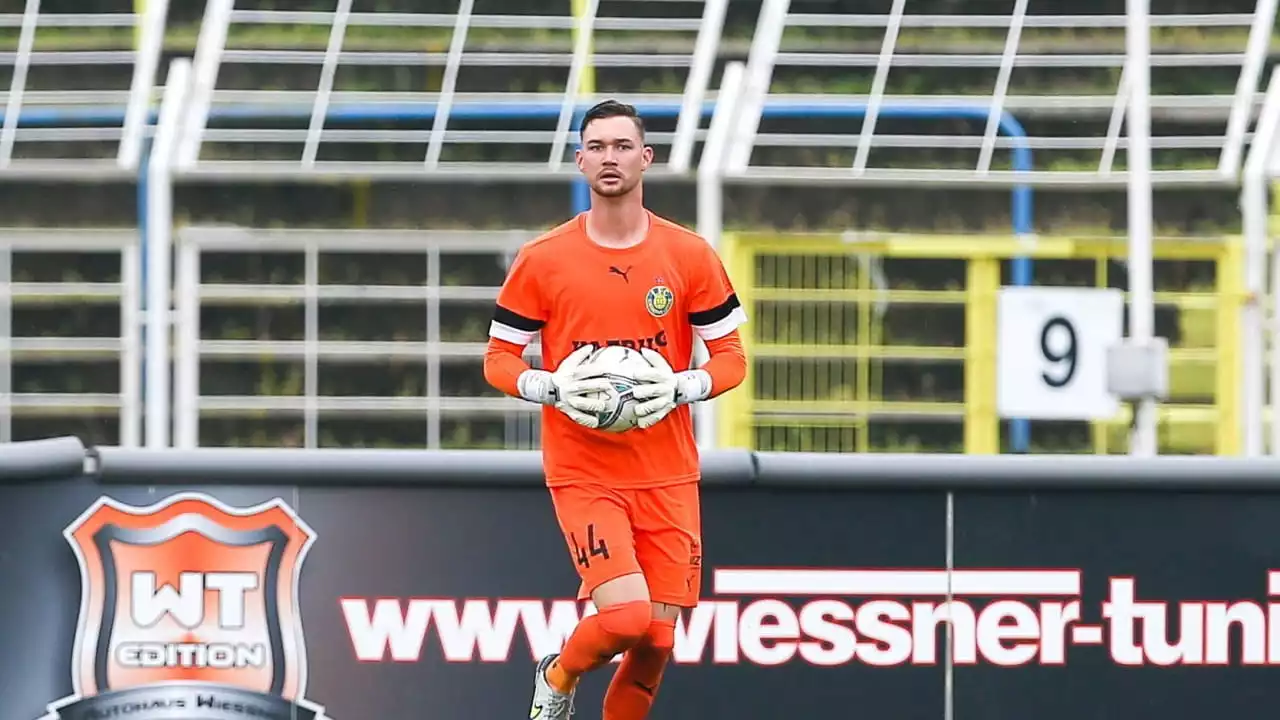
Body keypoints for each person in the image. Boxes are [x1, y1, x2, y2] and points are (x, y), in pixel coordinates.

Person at [482, 99, 748, 720]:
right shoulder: (544, 258)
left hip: (667, 471)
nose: (609, 157)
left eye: (622, 146)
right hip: (585, 469)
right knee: (625, 617)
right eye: (596, 147)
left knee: (655, 641)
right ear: (580, 161)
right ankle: (558, 673)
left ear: (645, 158)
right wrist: (548, 387)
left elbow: (732, 358)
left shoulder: (688, 255)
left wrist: (684, 387)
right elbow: (498, 359)